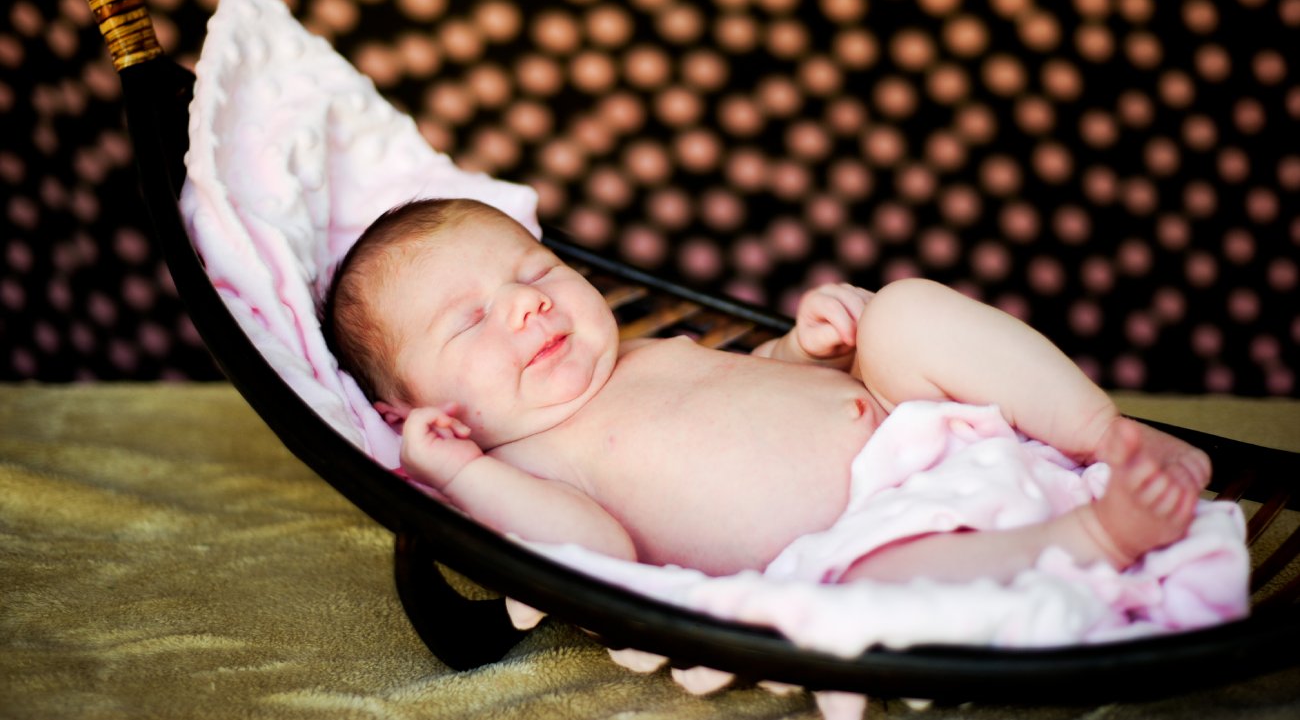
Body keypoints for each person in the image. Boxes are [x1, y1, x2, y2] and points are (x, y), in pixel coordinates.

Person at [322, 197, 1211, 584]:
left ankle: (1105, 432)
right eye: (471, 320)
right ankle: (1094, 535)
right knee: (873, 587)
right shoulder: (529, 464)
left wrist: (802, 348)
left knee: (902, 311)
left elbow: (756, 392)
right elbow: (594, 552)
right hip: (860, 534)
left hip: (911, 422)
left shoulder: (643, 353)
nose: (526, 305)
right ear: (413, 411)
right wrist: (464, 474)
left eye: (536, 270)